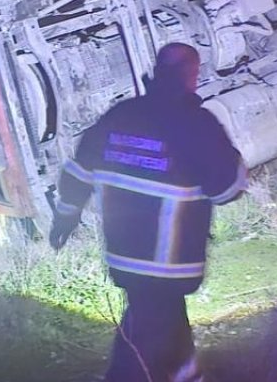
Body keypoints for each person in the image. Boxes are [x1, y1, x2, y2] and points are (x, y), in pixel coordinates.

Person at [49, 43, 247, 382]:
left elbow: (79, 170)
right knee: (155, 335)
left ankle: (176, 375)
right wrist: (238, 164)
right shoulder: (196, 124)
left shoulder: (119, 115)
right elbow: (226, 189)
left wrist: (65, 215)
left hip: (124, 256)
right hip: (168, 262)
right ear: (191, 74)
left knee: (152, 323)